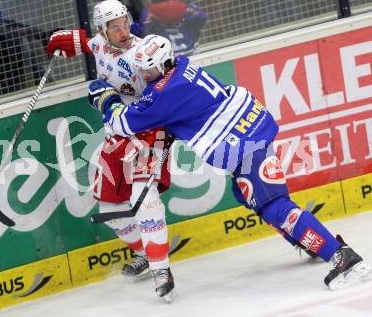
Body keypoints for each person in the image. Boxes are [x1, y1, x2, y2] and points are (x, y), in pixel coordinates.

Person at [88, 34, 372, 290]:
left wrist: (106, 99)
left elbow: (123, 122)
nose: (144, 75)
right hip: (248, 129)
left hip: (244, 143)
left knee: (274, 205)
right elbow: (186, 109)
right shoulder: (182, 65)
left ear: (163, 64)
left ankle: (341, 256)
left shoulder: (163, 93)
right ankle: (306, 238)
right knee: (247, 195)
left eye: (148, 69)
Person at [46, 0, 175, 301]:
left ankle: (162, 270)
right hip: (117, 133)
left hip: (147, 132)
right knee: (111, 211)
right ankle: (146, 254)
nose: (123, 30)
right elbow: (83, 42)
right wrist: (57, 41)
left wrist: (107, 101)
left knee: (144, 200)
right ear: (103, 31)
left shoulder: (142, 53)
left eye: (125, 22)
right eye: (114, 26)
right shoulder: (100, 43)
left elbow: (163, 93)